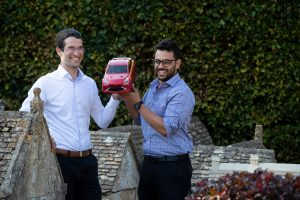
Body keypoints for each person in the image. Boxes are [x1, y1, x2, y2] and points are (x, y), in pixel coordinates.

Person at [20, 28, 120, 200]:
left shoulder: (89, 83)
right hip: (60, 162)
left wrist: (116, 98)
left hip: (89, 162)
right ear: (59, 51)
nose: (77, 53)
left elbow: (103, 121)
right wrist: (45, 138)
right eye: (71, 48)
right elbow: (24, 116)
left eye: (80, 48)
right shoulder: (46, 82)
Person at [122, 39, 195, 200]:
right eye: (157, 61)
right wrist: (128, 97)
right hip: (149, 166)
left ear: (178, 63)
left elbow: (165, 128)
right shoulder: (153, 88)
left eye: (166, 62)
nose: (160, 66)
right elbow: (139, 119)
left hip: (172, 169)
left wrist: (139, 103)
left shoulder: (181, 93)